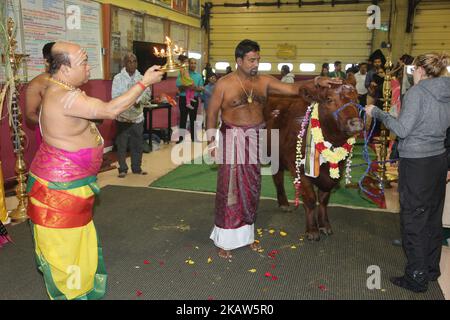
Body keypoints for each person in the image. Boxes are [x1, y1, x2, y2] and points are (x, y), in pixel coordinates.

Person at [26, 41, 163, 300]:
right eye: (83, 63)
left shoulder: (64, 88)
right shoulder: (65, 96)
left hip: (69, 187)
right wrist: (144, 83)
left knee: (79, 246)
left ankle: (81, 291)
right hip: (58, 194)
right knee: (67, 254)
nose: (90, 68)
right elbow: (111, 110)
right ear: (64, 69)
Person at [206, 39, 341, 259]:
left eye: (257, 59)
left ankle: (245, 237)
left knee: (250, 190)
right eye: (251, 60)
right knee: (230, 191)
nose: (255, 63)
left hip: (255, 137)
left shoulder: (264, 81)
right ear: (238, 60)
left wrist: (317, 80)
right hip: (232, 138)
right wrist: (212, 142)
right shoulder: (224, 84)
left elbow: (294, 88)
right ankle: (225, 240)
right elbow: (211, 114)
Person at [365, 52, 450, 293]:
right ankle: (431, 269)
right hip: (438, 159)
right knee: (432, 216)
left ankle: (416, 276)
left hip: (418, 163)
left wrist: (378, 113)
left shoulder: (418, 93)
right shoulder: (446, 90)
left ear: (420, 70)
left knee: (413, 218)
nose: (411, 75)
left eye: (412, 71)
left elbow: (402, 130)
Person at [112, 53, 152, 178]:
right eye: (129, 61)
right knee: (122, 144)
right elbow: (115, 96)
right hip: (122, 116)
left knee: (137, 144)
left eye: (134, 61)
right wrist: (130, 101)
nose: (132, 64)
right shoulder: (118, 78)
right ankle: (123, 168)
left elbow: (147, 95)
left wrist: (138, 101)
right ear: (124, 63)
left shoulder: (142, 78)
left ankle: (137, 168)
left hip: (137, 117)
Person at [25, 42, 55, 146]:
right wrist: (50, 123)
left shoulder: (70, 80)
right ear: (46, 61)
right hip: (49, 134)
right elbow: (30, 114)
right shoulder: (37, 83)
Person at [176, 57, 204, 143]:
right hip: (183, 99)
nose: (193, 65)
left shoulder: (199, 76)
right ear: (188, 64)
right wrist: (189, 86)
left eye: (194, 63)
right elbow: (179, 87)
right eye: (191, 63)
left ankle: (194, 138)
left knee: (193, 119)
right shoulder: (183, 74)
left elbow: (201, 89)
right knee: (183, 119)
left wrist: (194, 88)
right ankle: (181, 138)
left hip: (194, 99)